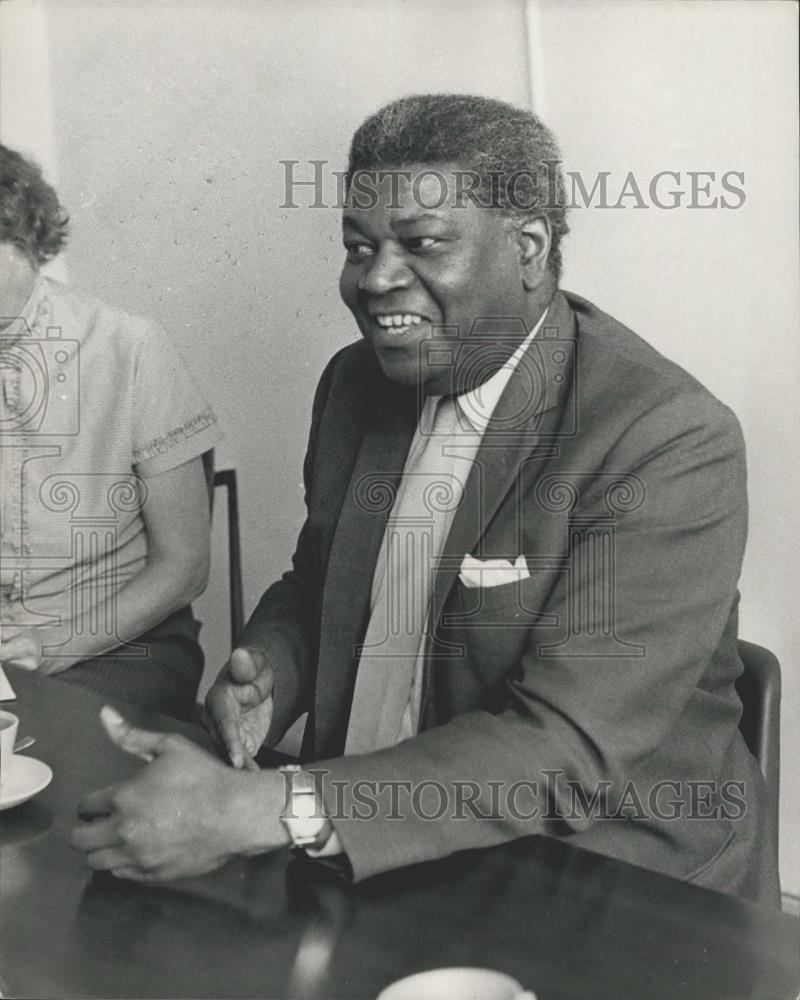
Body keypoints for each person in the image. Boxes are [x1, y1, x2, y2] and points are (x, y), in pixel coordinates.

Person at [72, 95, 779, 904]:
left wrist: (274, 806)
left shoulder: (663, 436)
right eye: (358, 246)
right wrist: (271, 673)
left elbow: (568, 745)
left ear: (530, 248)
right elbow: (318, 586)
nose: (375, 279)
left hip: (607, 886)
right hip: (380, 847)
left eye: (423, 243)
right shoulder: (352, 385)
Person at [0, 144, 221, 720]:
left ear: (26, 240)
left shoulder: (130, 346)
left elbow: (184, 568)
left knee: (38, 750)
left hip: (117, 647)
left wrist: (52, 646)